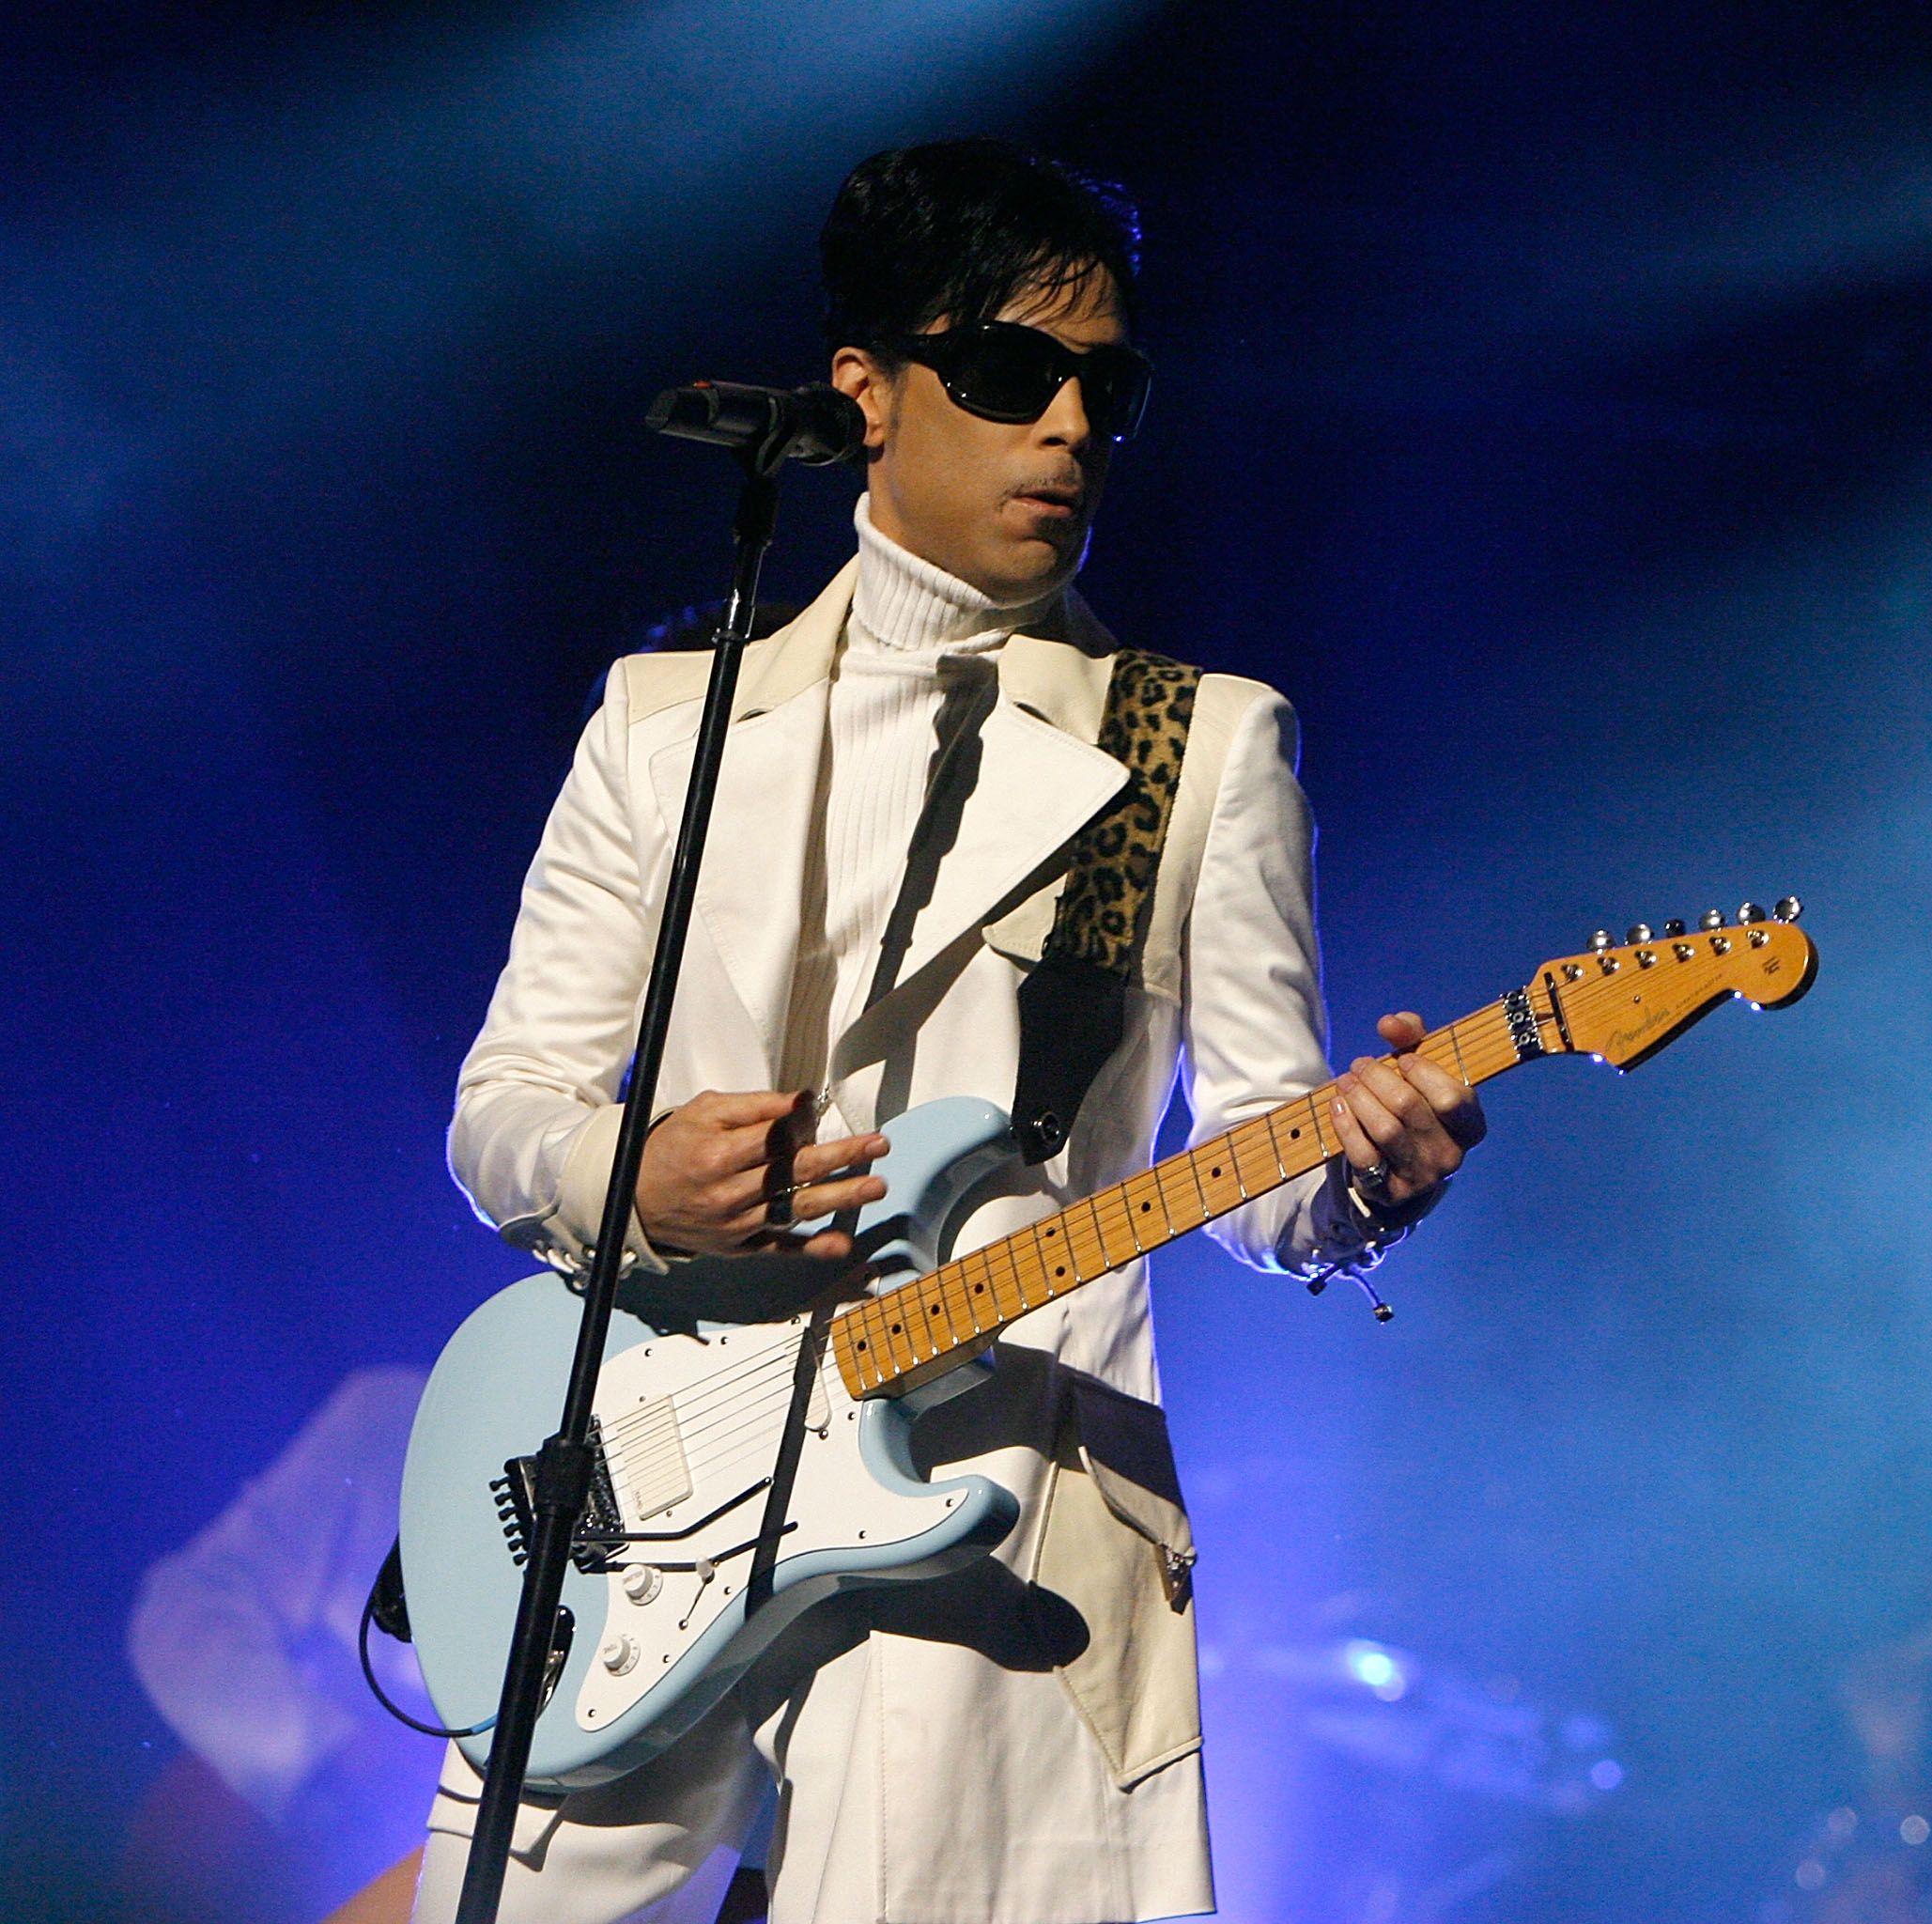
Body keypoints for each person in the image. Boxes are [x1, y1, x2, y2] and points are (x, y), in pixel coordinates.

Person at [410, 138, 1486, 1924]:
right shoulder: (668, 726)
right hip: (642, 1493)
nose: (1066, 428)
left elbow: (1266, 1171)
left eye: (1104, 388)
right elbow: (506, 1108)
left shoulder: (1197, 746)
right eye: (1006, 372)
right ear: (868, 391)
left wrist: (1369, 1179)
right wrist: (634, 1177)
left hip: (1001, 1504)